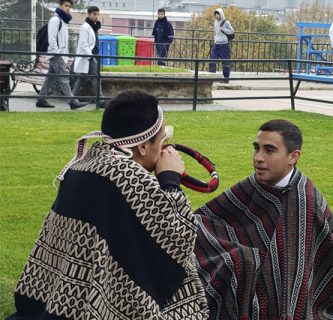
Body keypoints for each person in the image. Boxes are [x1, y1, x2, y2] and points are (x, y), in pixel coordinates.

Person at [8, 90, 209, 319]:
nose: (164, 147)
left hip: (51, 298)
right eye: (163, 140)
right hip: (98, 301)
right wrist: (170, 178)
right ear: (143, 146)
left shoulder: (84, 163)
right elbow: (179, 237)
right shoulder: (128, 175)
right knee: (193, 293)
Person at [194, 119, 333, 319]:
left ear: (293, 157)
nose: (258, 158)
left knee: (248, 267)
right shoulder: (257, 182)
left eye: (269, 150)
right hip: (258, 268)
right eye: (256, 149)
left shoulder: (303, 203)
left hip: (307, 292)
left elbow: (293, 277)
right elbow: (209, 217)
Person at [36, 0, 88, 110]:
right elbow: (52, 39)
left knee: (50, 77)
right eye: (66, 5)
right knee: (64, 76)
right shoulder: (56, 20)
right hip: (56, 54)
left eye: (69, 6)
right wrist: (58, 53)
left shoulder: (62, 20)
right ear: (60, 6)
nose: (68, 8)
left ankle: (41, 99)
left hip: (58, 53)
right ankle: (72, 101)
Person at [72, 6, 104, 108]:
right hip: (89, 56)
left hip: (91, 55)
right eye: (94, 14)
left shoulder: (93, 27)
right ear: (89, 14)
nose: (96, 16)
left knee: (82, 78)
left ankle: (71, 99)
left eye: (97, 14)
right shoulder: (85, 27)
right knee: (95, 77)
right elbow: (83, 44)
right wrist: (90, 57)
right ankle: (101, 100)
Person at [208, 8, 234, 82]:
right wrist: (215, 40)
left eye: (218, 14)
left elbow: (232, 31)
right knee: (212, 61)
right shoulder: (215, 22)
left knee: (225, 62)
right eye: (215, 14)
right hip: (216, 44)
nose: (216, 15)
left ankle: (226, 79)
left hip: (224, 45)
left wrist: (224, 29)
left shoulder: (226, 22)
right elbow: (215, 32)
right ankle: (211, 78)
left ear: (221, 14)